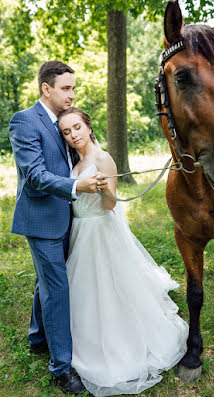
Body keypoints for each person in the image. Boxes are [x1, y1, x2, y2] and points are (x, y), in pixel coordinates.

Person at [57, 106, 189, 396]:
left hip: (100, 231)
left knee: (110, 289)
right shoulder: (73, 161)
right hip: (80, 232)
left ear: (88, 126)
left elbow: (111, 205)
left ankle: (122, 345)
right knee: (84, 292)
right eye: (66, 132)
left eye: (76, 128)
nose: (72, 135)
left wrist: (102, 188)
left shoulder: (103, 158)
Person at [9, 61, 100, 395]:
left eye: (73, 88)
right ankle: (62, 367)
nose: (71, 94)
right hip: (42, 218)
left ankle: (37, 337)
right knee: (57, 288)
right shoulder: (24, 120)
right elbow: (34, 175)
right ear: (46, 88)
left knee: (45, 281)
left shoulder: (67, 120)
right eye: (65, 88)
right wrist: (78, 188)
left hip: (67, 217)